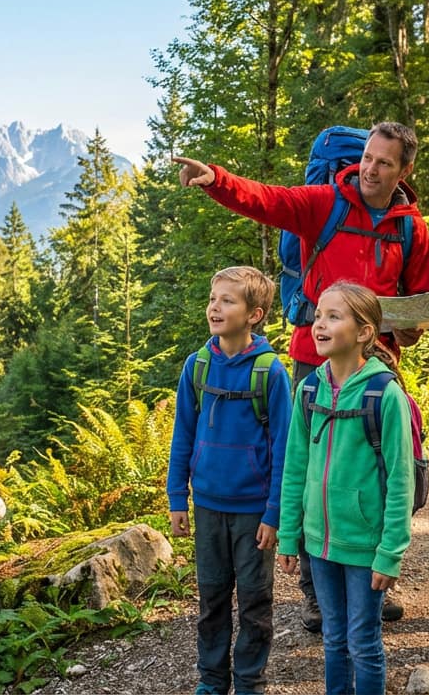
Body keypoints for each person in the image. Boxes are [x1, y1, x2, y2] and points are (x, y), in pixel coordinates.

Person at [173, 121, 429, 629]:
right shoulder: (325, 203)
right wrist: (216, 180)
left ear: (405, 169)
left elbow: (417, 299)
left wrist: (410, 327)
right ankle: (317, 591)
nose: (371, 169)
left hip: (375, 367)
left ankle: (373, 579)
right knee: (313, 470)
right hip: (314, 361)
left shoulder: (409, 226)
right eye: (367, 158)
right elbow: (268, 200)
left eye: (384, 162)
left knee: (376, 472)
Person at [277, 282, 413, 695]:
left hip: (364, 546)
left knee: (364, 642)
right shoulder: (308, 389)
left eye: (334, 317)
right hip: (318, 545)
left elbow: (401, 480)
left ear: (365, 332)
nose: (320, 324)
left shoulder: (385, 395)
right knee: (334, 640)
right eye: (319, 315)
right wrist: (288, 535)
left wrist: (390, 554)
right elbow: (294, 468)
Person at [168, 265, 294, 695]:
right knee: (212, 599)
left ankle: (250, 682)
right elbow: (182, 433)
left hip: (253, 510)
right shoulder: (197, 366)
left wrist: (275, 514)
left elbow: (285, 451)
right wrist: (176, 499)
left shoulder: (271, 372)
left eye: (227, 300)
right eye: (212, 299)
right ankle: (211, 680)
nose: (214, 308)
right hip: (206, 504)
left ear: (254, 314)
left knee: (256, 602)